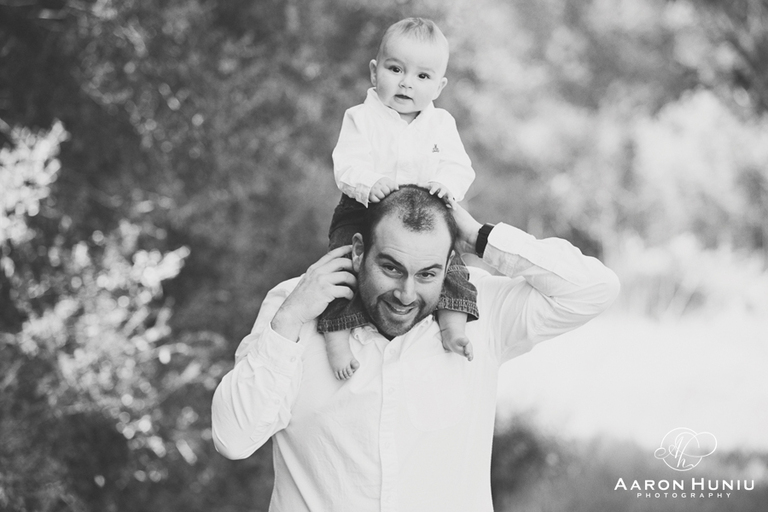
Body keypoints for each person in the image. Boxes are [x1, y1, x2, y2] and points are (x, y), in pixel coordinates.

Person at [211, 185, 620, 512]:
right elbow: (234, 438)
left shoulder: (483, 311)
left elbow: (595, 289)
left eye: (428, 274)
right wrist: (286, 322)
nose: (407, 294)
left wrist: (481, 238)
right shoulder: (294, 306)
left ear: (449, 266)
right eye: (391, 268)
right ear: (358, 251)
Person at [320, 17, 478, 380]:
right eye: (396, 69)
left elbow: (459, 166)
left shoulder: (441, 125)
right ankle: (336, 332)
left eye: (422, 76)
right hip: (363, 208)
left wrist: (446, 185)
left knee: (450, 265)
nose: (407, 82)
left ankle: (454, 326)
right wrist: (368, 183)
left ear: (438, 86)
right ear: (375, 73)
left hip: (424, 216)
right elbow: (346, 164)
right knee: (342, 263)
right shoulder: (361, 118)